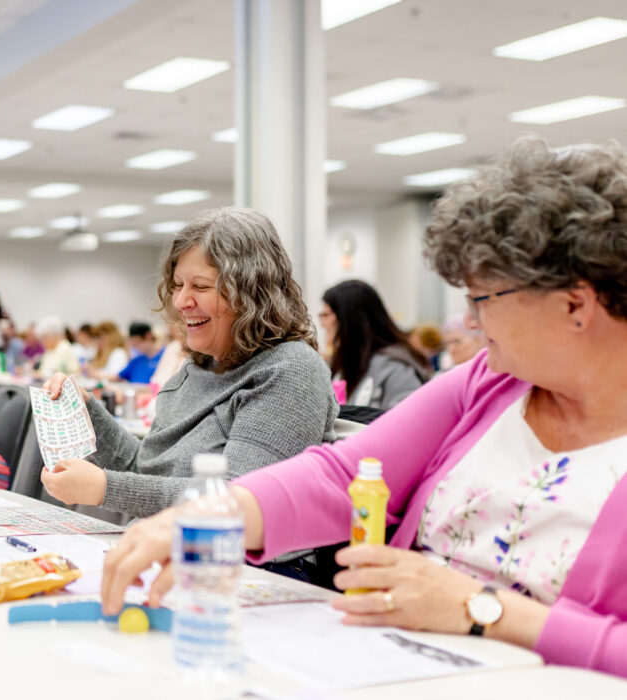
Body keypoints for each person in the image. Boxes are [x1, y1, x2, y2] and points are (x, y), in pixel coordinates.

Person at [100, 138, 627, 679]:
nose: (470, 322)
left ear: (575, 304)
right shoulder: (490, 383)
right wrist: (209, 516)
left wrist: (481, 610)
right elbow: (342, 475)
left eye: (483, 299)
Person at [40, 207, 338, 519]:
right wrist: (86, 415)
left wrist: (104, 488)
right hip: (169, 549)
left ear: (252, 293)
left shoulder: (290, 370)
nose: (182, 301)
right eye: (179, 285)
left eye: (200, 286)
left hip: (233, 563)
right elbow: (145, 470)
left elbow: (238, 503)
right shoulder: (197, 368)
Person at [320, 280, 431, 409]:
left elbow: (407, 421)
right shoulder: (346, 364)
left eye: (325, 315)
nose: (322, 324)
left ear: (348, 319)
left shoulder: (396, 367)